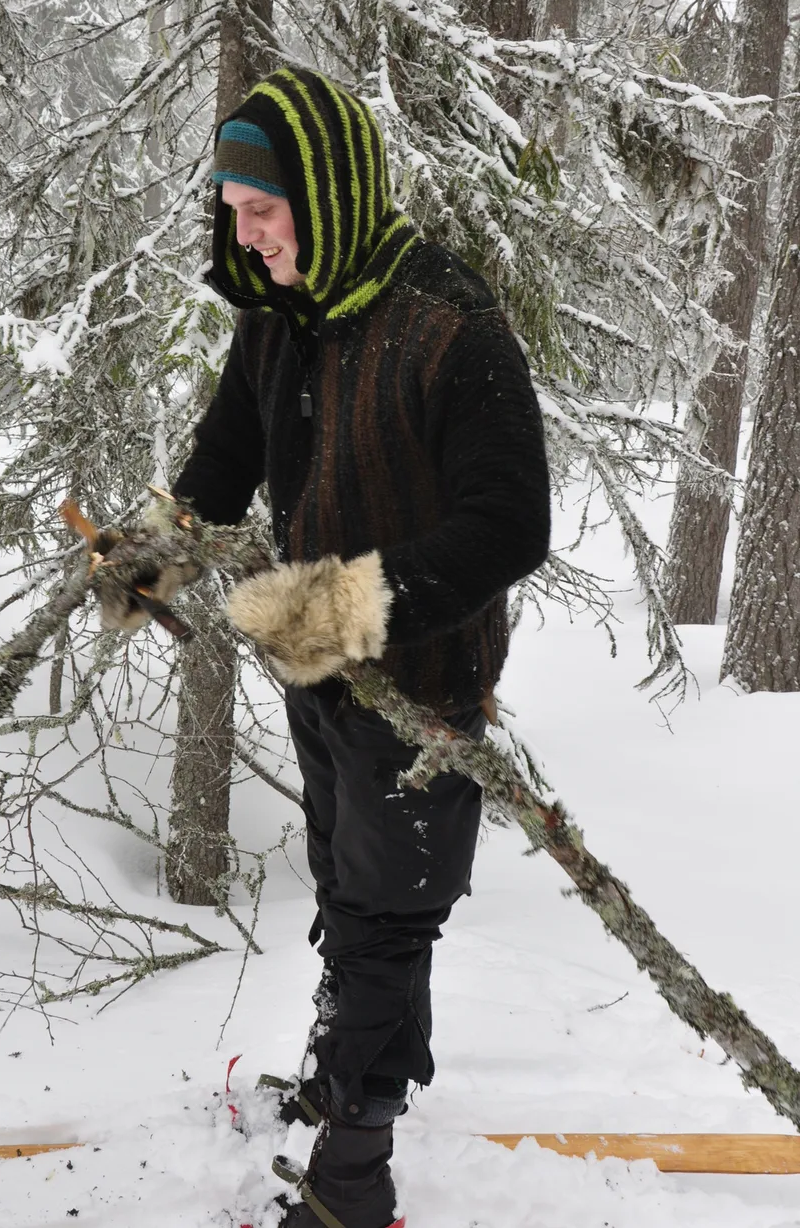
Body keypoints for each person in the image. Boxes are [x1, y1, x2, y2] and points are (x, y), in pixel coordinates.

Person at [103, 66, 550, 1228]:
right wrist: (146, 547)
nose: (248, 241)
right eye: (235, 217)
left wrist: (341, 610)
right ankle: (346, 1077)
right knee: (353, 892)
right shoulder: (280, 316)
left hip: (425, 693)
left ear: (330, 190)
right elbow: (223, 456)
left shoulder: (452, 324)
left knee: (388, 912)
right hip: (320, 675)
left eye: (266, 214)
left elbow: (510, 525)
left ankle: (354, 1172)